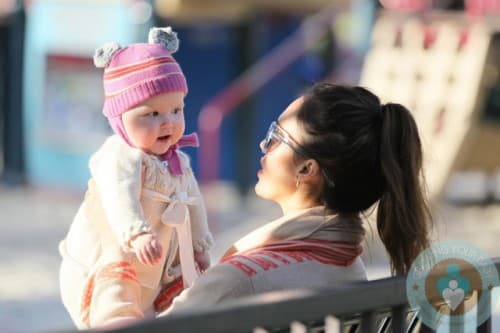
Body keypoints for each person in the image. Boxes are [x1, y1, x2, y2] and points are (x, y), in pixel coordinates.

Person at [158, 82, 432, 314]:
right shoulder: (349, 268)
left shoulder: (240, 281)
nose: (263, 145)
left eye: (276, 136)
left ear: (307, 169)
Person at [58, 27, 213, 329]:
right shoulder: (120, 153)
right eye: (151, 114)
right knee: (117, 294)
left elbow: (193, 202)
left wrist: (199, 245)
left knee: (182, 292)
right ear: (119, 120)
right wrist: (136, 232)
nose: (168, 122)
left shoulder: (177, 159)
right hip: (119, 250)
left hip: (161, 260)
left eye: (176, 110)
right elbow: (118, 193)